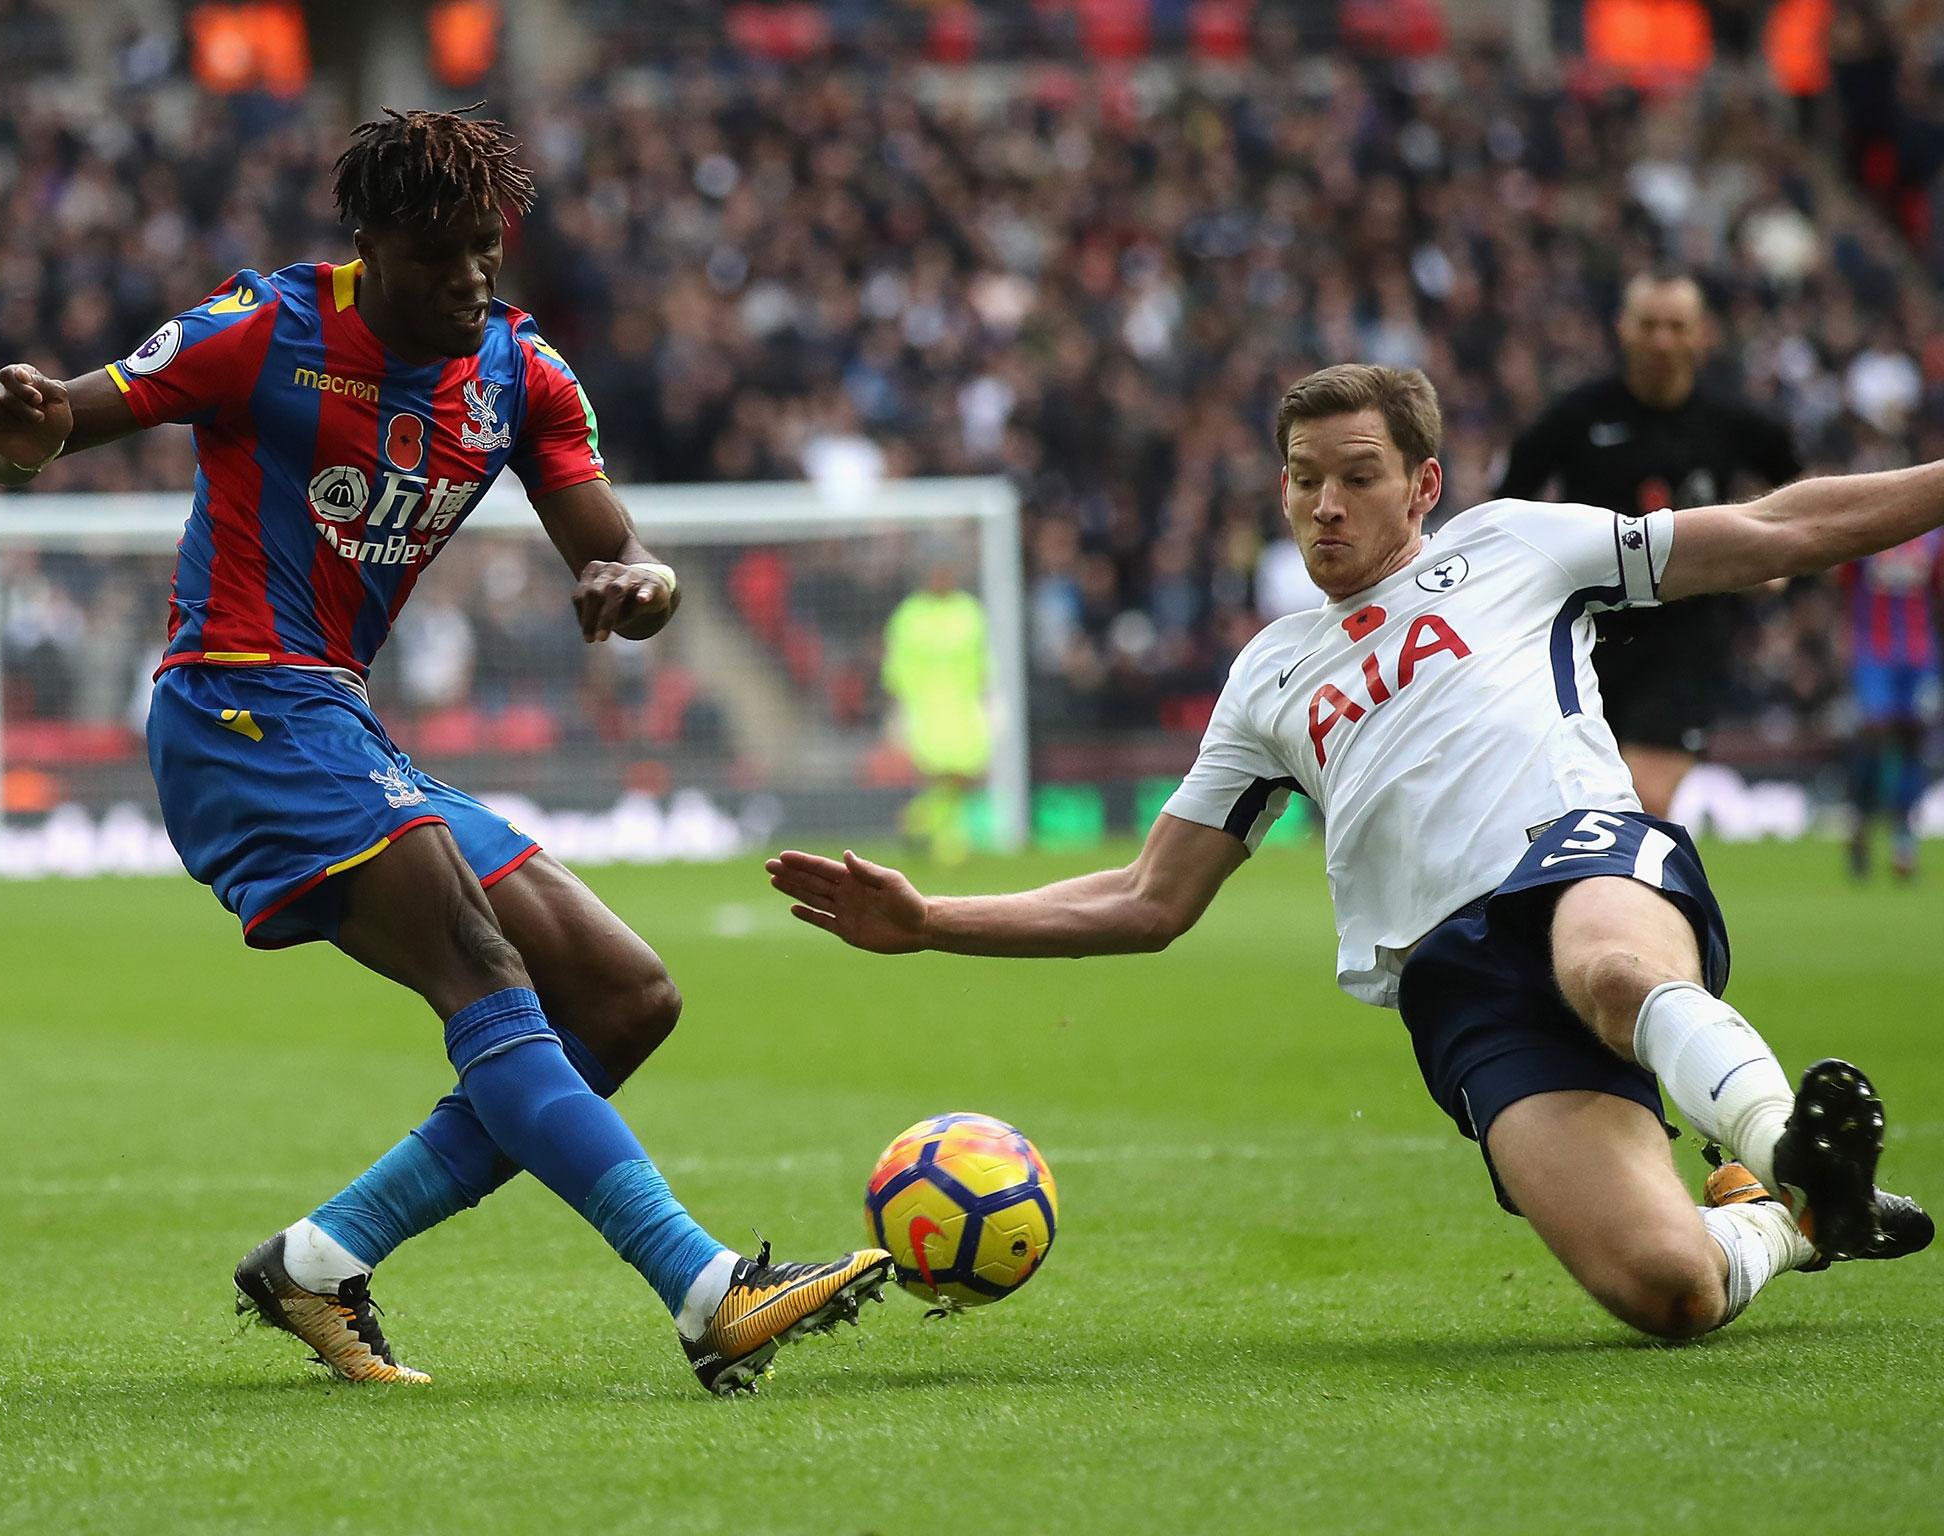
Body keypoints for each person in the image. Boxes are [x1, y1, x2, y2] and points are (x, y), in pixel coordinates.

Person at [0, 107, 890, 1396]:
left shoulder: (518, 371)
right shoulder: (263, 328)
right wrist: (23, 432)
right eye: (444, 253)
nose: (472, 278)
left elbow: (622, 553)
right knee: (483, 966)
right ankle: (704, 1289)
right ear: (373, 245)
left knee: (622, 999)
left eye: (488, 251)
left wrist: (640, 587)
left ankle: (320, 1259)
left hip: (336, 717)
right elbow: (61, 419)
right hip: (236, 711)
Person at [771, 364, 1932, 1342]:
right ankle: (1787, 1215)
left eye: (1355, 477)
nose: (1322, 504)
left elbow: (1773, 530)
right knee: (1666, 1291)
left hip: (1575, 853)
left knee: (1611, 971)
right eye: (1301, 479)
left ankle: (1785, 1144)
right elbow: (1144, 899)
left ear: (1422, 485)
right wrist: (929, 923)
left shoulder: (1513, 546)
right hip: (1455, 973)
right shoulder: (1267, 677)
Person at [1498, 271, 1802, 817]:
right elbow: (1506, 506)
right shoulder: (1577, 417)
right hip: (1586, 638)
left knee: (1643, 801)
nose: (1662, 340)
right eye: (1649, 325)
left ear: (1701, 333)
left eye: (1676, 326)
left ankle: (1636, 900)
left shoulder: (1736, 424)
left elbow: (1800, 500)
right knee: (1571, 805)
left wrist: (1776, 565)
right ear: (1623, 329)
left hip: (1686, 640)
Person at [1839, 531, 1944, 880]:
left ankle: (1903, 835)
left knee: (1913, 739)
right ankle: (1860, 819)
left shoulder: (1934, 537)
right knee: (1876, 733)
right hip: (1874, 652)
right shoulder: (1870, 530)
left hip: (1919, 654)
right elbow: (1843, 585)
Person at [883, 560, 990, 864]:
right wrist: (896, 709)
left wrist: (987, 699)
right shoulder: (910, 616)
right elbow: (896, 664)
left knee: (964, 776)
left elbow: (981, 660)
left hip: (964, 705)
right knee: (938, 774)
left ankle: (917, 818)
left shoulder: (969, 611)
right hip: (926, 707)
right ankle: (951, 846)